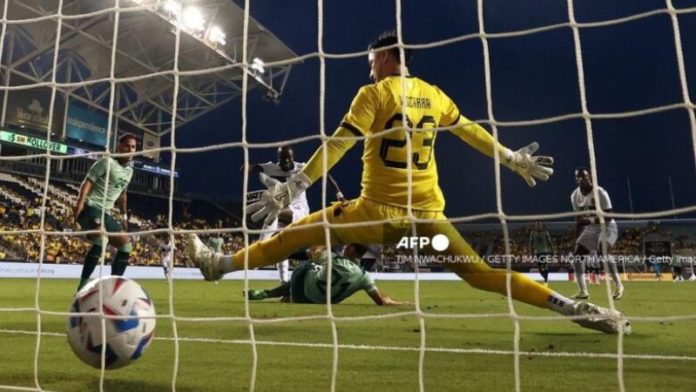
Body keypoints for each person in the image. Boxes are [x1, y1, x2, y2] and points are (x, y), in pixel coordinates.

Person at [189, 31, 630, 334]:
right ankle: (571, 307)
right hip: (426, 229)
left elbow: (341, 142)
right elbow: (470, 130)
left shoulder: (375, 93)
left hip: (376, 216)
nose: (368, 69)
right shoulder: (434, 95)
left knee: (296, 234)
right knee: (482, 275)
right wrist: (511, 158)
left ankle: (220, 266)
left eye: (370, 61)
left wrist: (296, 183)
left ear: (383, 58)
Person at [73, 133, 137, 291]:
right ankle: (82, 287)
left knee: (126, 246)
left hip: (106, 213)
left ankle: (114, 287)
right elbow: (87, 182)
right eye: (127, 145)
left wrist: (124, 216)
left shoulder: (129, 171)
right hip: (91, 208)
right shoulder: (106, 162)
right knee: (102, 241)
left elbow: (122, 195)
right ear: (119, 146)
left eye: (133, 147)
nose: (130, 149)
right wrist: (79, 203)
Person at [246, 244, 406, 306]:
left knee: (308, 264)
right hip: (312, 301)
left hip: (301, 289)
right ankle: (278, 295)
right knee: (314, 270)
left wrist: (285, 254)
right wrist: (405, 303)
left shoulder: (332, 257)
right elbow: (382, 301)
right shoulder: (365, 276)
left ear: (350, 249)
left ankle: (269, 293)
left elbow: (308, 252)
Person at [247, 146, 309, 283]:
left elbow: (324, 172)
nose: (286, 161)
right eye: (283, 159)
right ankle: (284, 282)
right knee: (281, 246)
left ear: (293, 158)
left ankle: (258, 250)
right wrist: (248, 168)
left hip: (300, 210)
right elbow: (257, 168)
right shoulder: (272, 168)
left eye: (289, 158)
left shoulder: (302, 167)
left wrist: (338, 193)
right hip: (283, 208)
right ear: (278, 159)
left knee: (275, 210)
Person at [570, 167, 624, 300]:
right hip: (592, 228)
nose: (583, 181)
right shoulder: (574, 196)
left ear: (590, 178)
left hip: (607, 226)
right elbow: (579, 220)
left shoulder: (600, 192)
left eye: (585, 178)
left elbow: (609, 216)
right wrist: (576, 239)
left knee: (603, 248)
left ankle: (618, 285)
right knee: (577, 256)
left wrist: (589, 219)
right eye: (580, 178)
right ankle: (583, 291)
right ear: (577, 180)